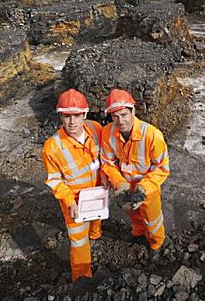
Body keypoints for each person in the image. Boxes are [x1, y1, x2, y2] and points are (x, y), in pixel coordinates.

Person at [42, 89, 106, 282]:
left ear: (84, 114)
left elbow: (104, 156)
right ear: (60, 116)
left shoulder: (95, 129)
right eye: (67, 116)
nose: (72, 122)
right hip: (75, 199)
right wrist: (69, 202)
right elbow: (55, 180)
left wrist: (104, 176)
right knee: (78, 241)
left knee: (96, 219)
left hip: (97, 191)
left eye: (77, 115)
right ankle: (82, 277)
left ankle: (95, 234)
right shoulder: (52, 147)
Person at [100, 89, 170, 259]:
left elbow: (162, 168)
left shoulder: (152, 135)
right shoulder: (108, 133)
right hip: (124, 184)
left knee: (152, 219)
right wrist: (119, 182)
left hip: (147, 187)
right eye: (115, 117)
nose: (120, 121)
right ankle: (138, 232)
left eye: (124, 114)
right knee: (133, 214)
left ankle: (156, 242)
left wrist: (142, 188)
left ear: (133, 111)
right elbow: (107, 162)